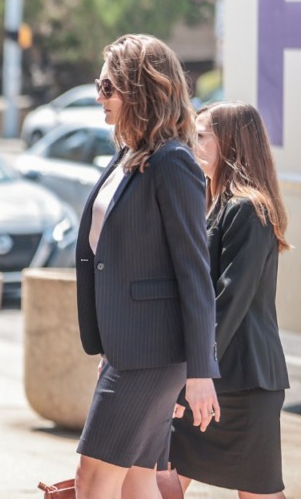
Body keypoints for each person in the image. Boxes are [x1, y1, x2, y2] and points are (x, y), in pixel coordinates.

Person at [74, 34, 221, 499]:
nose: (99, 97)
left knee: (93, 479)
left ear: (141, 90)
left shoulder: (173, 162)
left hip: (152, 354)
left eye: (108, 87)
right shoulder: (128, 157)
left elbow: (194, 272)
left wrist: (201, 372)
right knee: (138, 481)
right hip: (129, 348)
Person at [170, 101, 291, 498]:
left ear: (231, 142)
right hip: (214, 375)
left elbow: (228, 300)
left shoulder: (247, 208)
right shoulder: (214, 205)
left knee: (256, 492)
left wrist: (194, 371)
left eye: (202, 134)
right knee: (161, 478)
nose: (193, 141)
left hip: (242, 381)